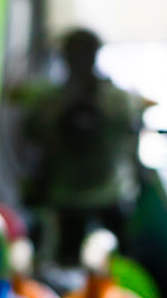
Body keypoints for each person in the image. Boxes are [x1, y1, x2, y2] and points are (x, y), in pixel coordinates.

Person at [15, 28, 151, 272]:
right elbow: (31, 136)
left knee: (117, 264)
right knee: (68, 265)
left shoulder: (112, 101)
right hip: (71, 197)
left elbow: (133, 134)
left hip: (107, 193)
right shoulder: (52, 101)